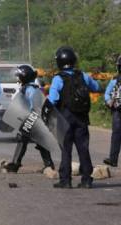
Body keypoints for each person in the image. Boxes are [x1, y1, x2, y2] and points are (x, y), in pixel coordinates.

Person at [42, 46, 100, 188]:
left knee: (66, 150)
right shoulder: (83, 76)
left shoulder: (58, 78)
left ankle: (65, 180)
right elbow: (97, 87)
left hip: (65, 118)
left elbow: (53, 99)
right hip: (82, 118)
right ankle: (86, 179)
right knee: (83, 148)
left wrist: (45, 113)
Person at [4, 65, 55, 173]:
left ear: (24, 77)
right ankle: (49, 165)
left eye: (19, 76)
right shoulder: (29, 87)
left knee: (22, 138)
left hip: (33, 116)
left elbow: (34, 104)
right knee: (40, 140)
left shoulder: (30, 89)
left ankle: (15, 164)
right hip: (35, 117)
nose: (17, 78)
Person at [103, 55, 121, 167]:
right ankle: (113, 159)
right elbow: (107, 94)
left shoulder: (115, 79)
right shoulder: (115, 79)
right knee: (116, 135)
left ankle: (113, 159)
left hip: (117, 111)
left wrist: (109, 101)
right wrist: (109, 100)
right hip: (117, 111)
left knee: (116, 135)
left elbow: (106, 94)